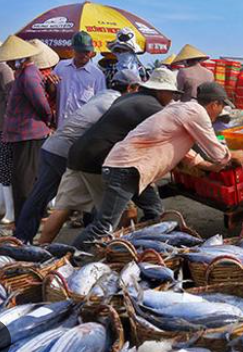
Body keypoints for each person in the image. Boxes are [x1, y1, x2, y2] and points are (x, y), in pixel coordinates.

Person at [72, 82, 243, 249]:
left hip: (135, 170)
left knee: (154, 211)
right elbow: (217, 153)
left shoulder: (182, 109)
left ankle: (141, 248)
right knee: (104, 226)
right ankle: (64, 261)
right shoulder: (196, 113)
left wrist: (206, 165)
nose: (220, 112)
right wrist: (233, 155)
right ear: (215, 104)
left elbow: (178, 146)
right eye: (221, 107)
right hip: (127, 169)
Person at [14, 70, 141, 244]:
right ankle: (24, 239)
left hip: (54, 146)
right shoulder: (116, 103)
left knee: (49, 199)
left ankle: (27, 241)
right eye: (137, 90)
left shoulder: (102, 95)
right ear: (130, 87)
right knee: (91, 197)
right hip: (65, 151)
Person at [64, 68, 176, 236]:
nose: (172, 98)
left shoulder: (130, 98)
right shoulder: (152, 107)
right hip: (100, 160)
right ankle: (79, 254)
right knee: (106, 221)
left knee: (153, 208)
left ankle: (143, 243)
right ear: (162, 91)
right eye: (171, 93)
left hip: (91, 155)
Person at [0, 35, 53, 221]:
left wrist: (48, 119)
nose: (9, 62)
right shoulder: (23, 74)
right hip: (21, 134)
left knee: (24, 181)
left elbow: (41, 104)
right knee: (23, 179)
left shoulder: (29, 75)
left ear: (20, 58)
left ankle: (26, 220)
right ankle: (28, 218)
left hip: (28, 133)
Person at [48, 31, 106, 128]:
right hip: (61, 125)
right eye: (79, 51)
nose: (83, 55)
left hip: (83, 129)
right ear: (73, 50)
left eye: (86, 52)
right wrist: (50, 83)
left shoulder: (97, 75)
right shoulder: (61, 67)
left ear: (92, 52)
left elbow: (100, 104)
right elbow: (52, 93)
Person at [0, 41, 14, 224]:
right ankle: (4, 207)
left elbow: (9, 99)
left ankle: (9, 210)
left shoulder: (3, 70)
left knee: (5, 167)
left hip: (4, 126)